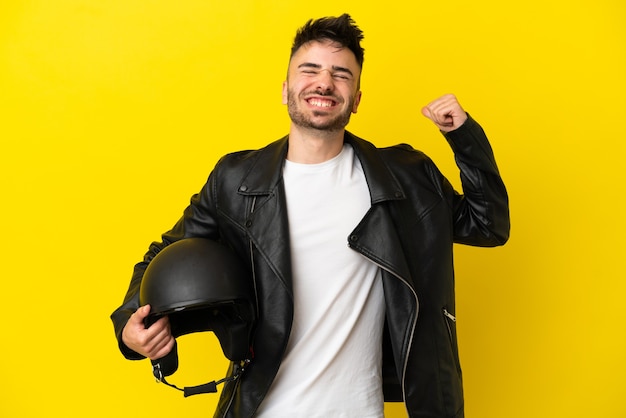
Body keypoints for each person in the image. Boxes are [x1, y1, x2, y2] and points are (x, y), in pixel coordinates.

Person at [111, 13, 510, 418]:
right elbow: (163, 253)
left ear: (356, 99)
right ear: (286, 90)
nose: (324, 83)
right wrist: (131, 325)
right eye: (310, 70)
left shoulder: (404, 178)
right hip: (261, 409)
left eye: (342, 74)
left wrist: (464, 138)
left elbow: (488, 225)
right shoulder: (236, 181)